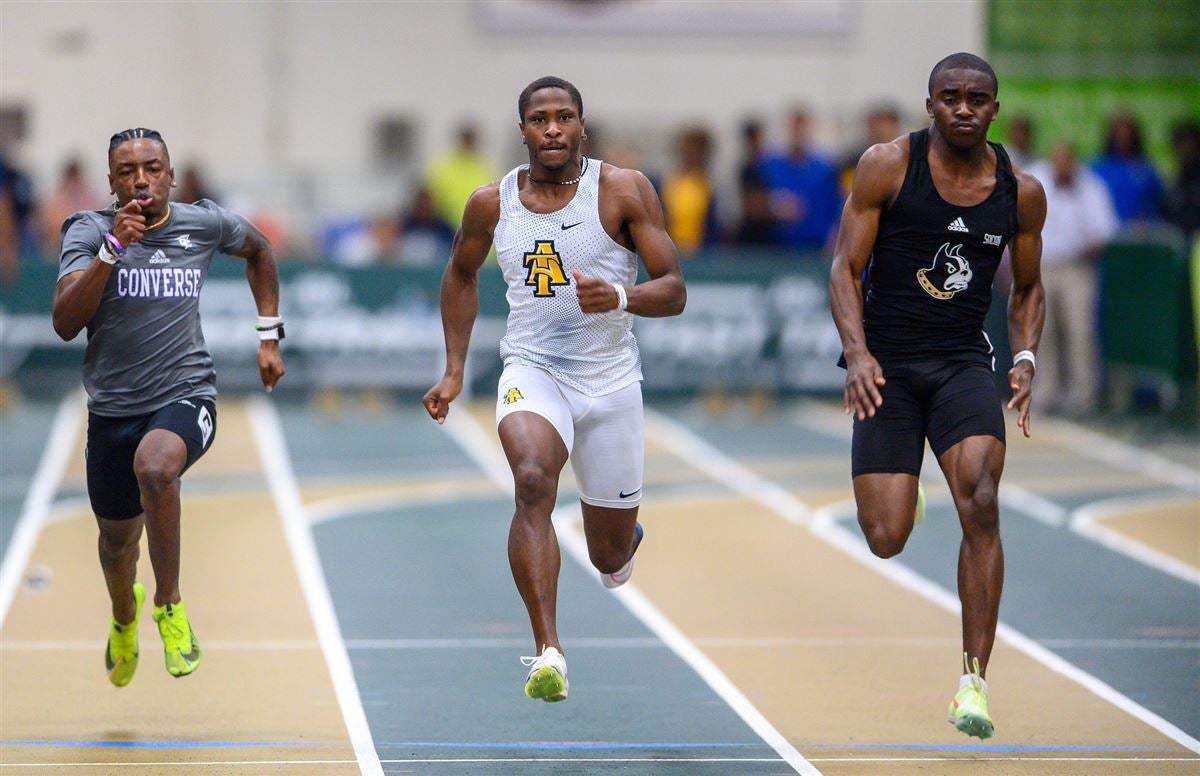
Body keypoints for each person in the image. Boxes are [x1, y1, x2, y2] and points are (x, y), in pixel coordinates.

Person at [423, 77, 686, 703]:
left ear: (581, 127)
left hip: (612, 381)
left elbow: (674, 287)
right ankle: (548, 651)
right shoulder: (491, 203)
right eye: (539, 119)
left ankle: (621, 539)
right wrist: (456, 368)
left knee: (609, 560)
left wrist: (620, 296)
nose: (552, 129)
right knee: (533, 478)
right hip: (533, 369)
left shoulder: (622, 189)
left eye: (564, 117)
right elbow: (460, 274)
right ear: (522, 131)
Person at [829, 53, 1046, 740]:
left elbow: (1029, 286)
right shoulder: (887, 165)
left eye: (976, 99)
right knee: (885, 537)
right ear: (930, 105)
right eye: (949, 97)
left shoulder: (1020, 191)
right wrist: (858, 354)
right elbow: (845, 267)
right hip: (887, 368)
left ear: (995, 109)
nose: (963, 108)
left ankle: (973, 683)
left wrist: (1024, 355)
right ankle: (905, 489)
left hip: (960, 362)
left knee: (981, 497)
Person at [52, 128, 285, 686]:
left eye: (153, 167)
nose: (141, 179)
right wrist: (112, 252)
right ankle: (124, 617)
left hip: (185, 392)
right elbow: (64, 323)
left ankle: (169, 606)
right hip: (112, 409)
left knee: (156, 467)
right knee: (115, 546)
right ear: (110, 182)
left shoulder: (202, 223)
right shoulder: (88, 231)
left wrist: (269, 335)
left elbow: (260, 250)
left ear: (171, 174)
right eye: (128, 170)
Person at [1029, 141, 1118, 416]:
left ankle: (1083, 394)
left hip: (1077, 268)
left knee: (1079, 330)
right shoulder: (1035, 179)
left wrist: (1082, 245)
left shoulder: (1090, 187)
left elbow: (1106, 231)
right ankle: (1046, 392)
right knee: (1043, 331)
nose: (1062, 169)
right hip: (1041, 266)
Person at [760, 108, 843, 254]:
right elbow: (757, 203)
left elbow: (838, 205)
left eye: (802, 127)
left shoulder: (825, 168)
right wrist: (772, 207)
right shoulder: (770, 166)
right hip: (779, 247)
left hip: (817, 246)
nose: (798, 133)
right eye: (794, 127)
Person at [1091, 112, 1163, 226]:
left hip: (1142, 233)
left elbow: (1157, 202)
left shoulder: (1147, 169)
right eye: (1118, 133)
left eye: (1127, 132)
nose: (1123, 136)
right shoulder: (1098, 170)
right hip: (1108, 234)